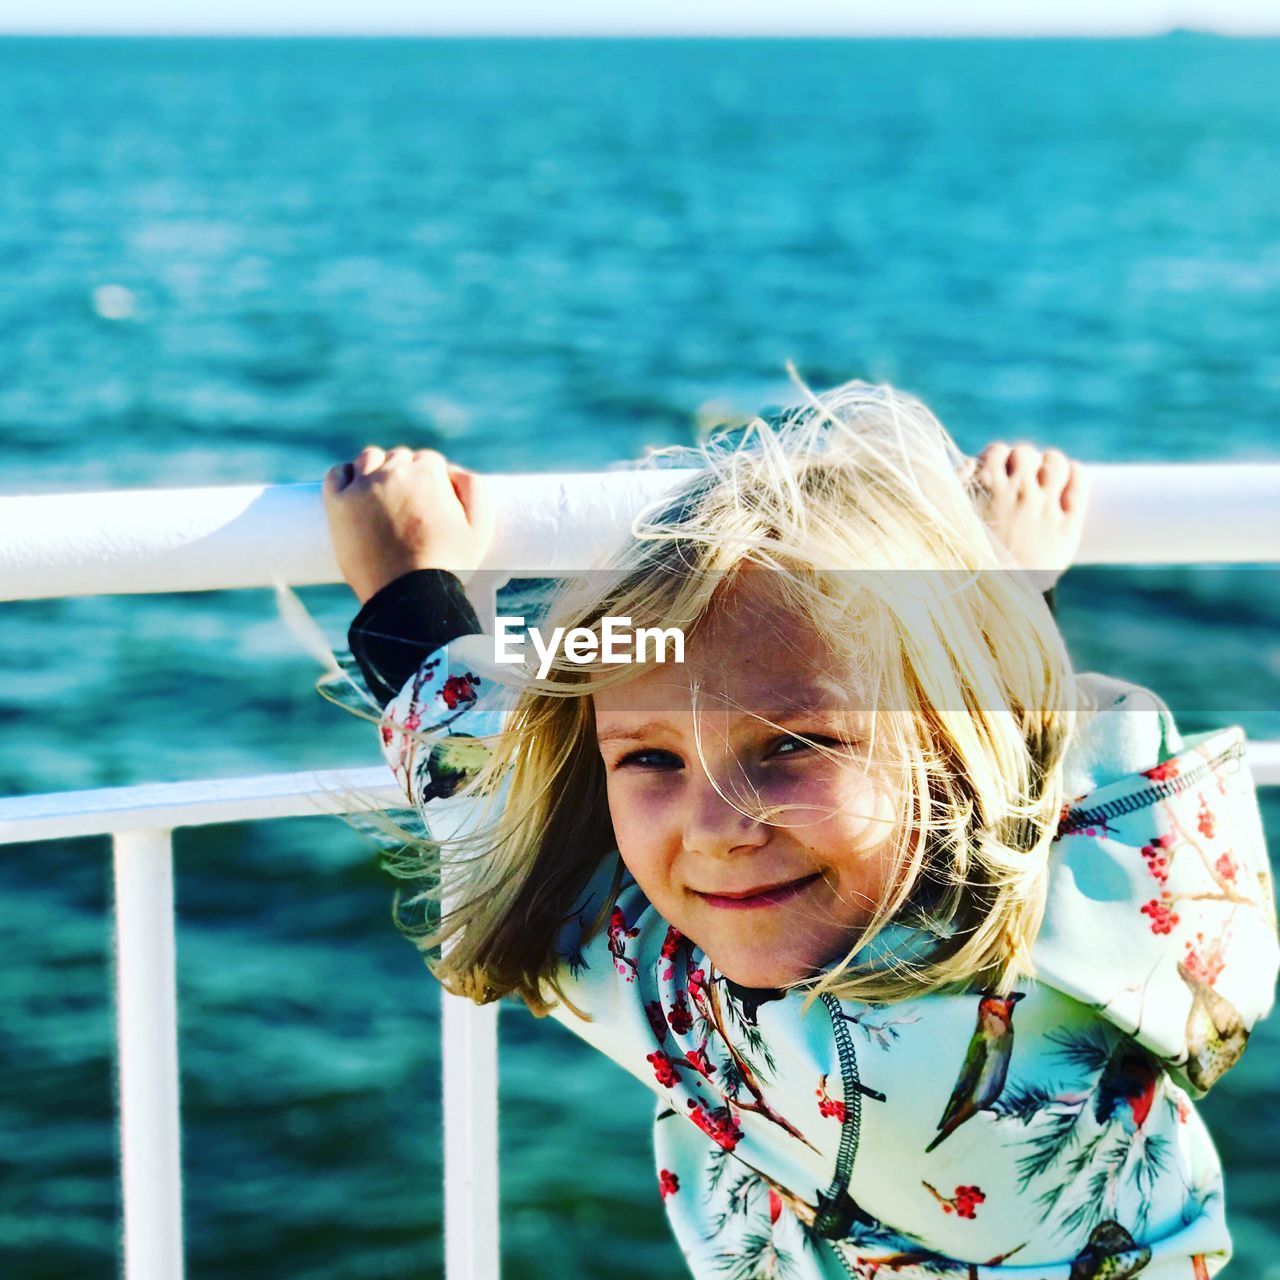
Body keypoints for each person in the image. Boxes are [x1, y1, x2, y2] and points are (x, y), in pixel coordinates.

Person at [317, 381, 1277, 1278]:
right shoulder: (1108, 903)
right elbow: (1041, 761)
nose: (716, 829)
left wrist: (408, 591)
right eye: (649, 757)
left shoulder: (727, 1020)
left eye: (791, 746)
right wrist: (1003, 591)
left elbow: (479, 777)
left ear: (953, 749)